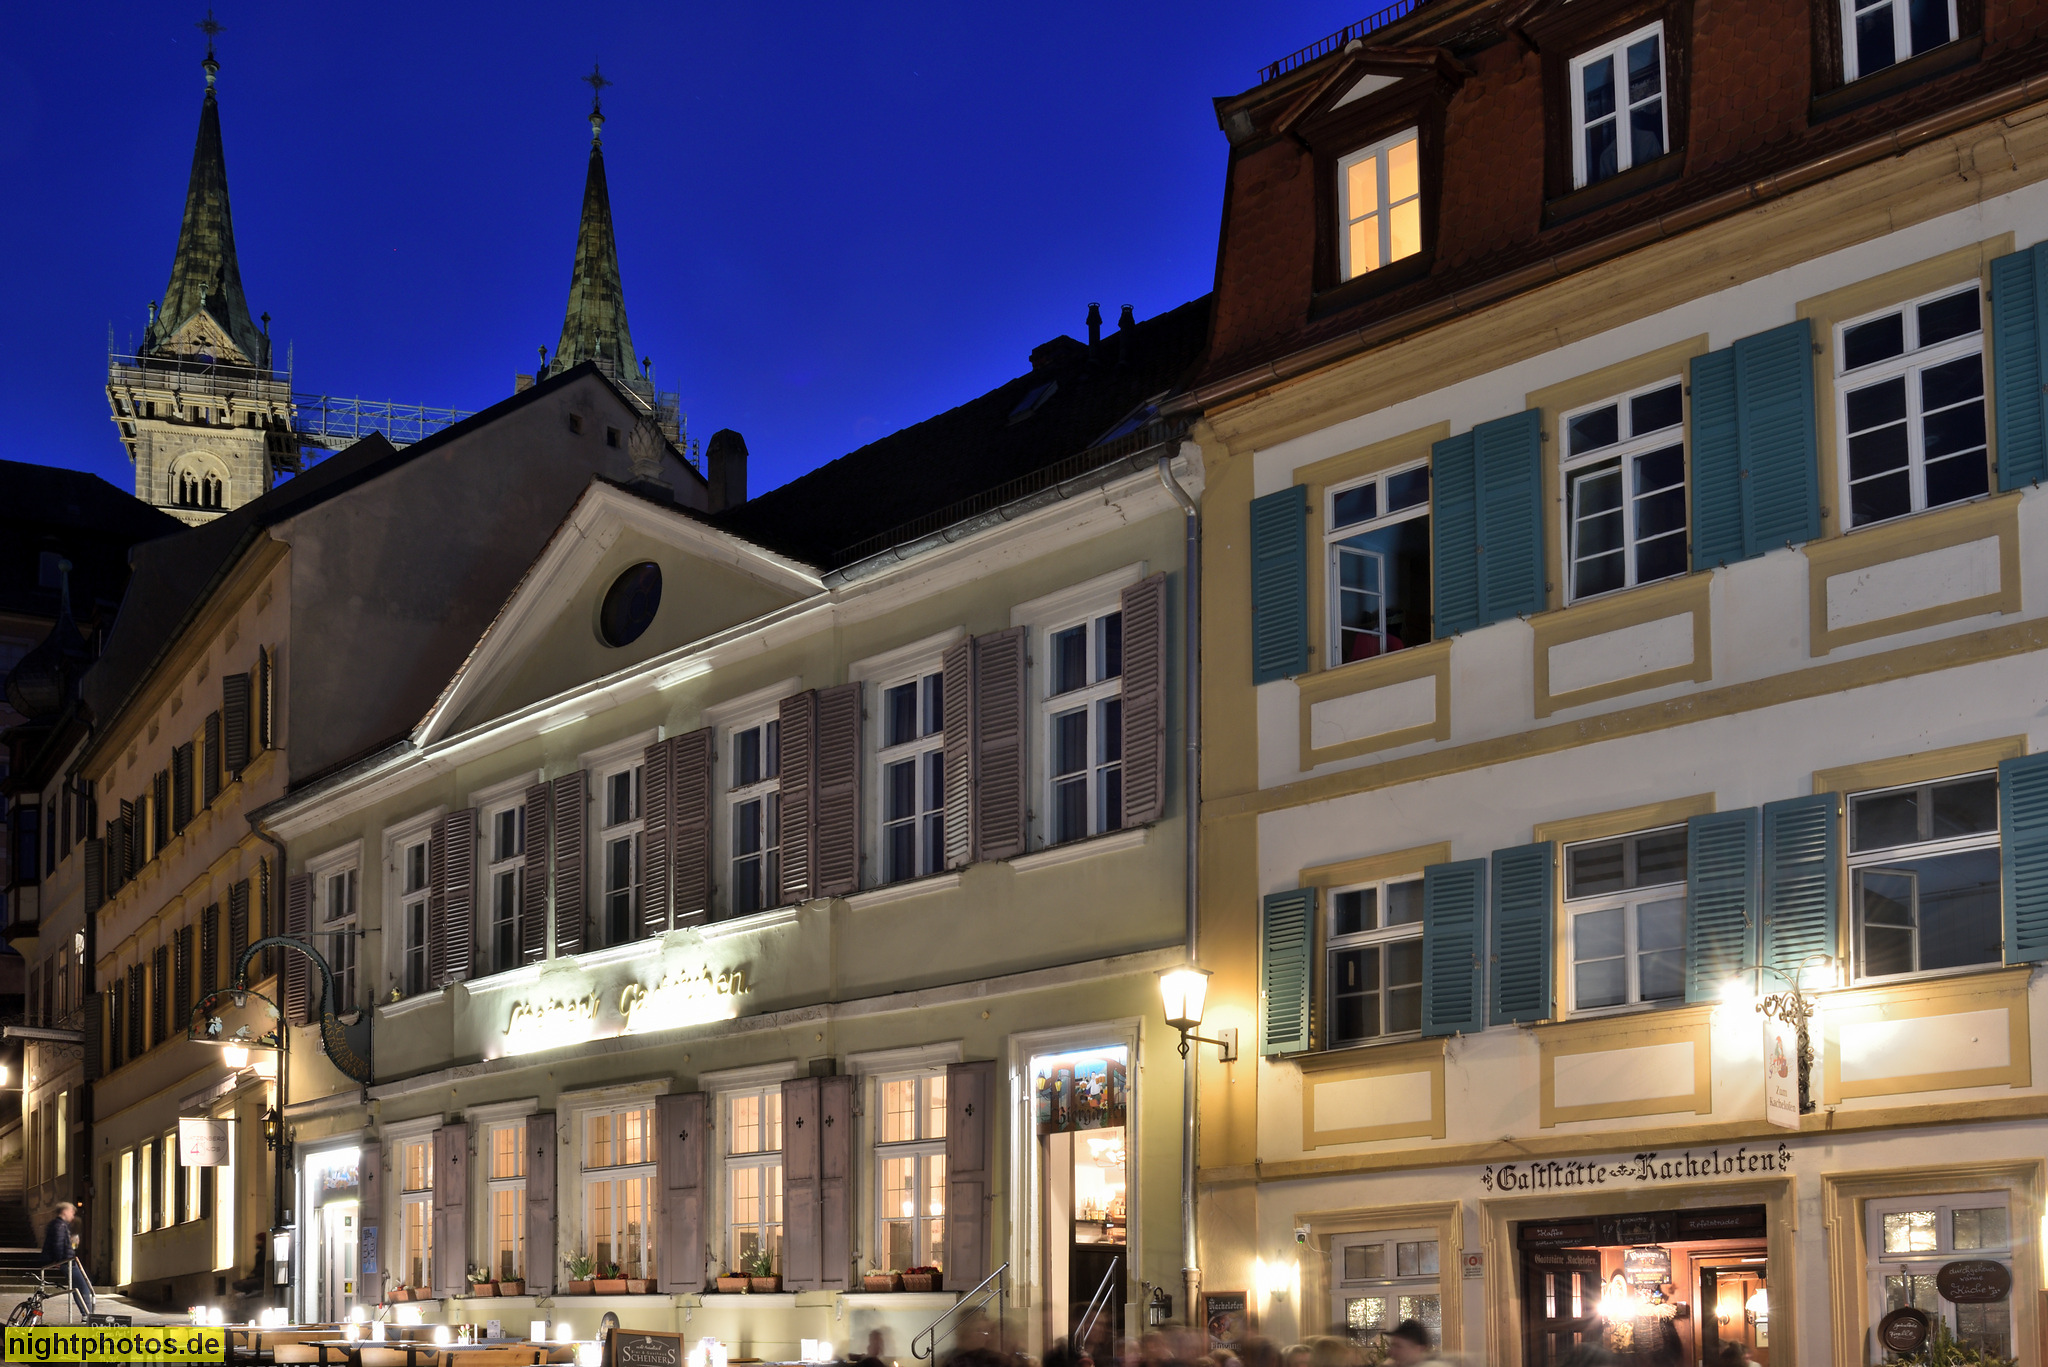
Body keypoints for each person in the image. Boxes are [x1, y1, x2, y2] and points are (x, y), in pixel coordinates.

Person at [40, 1202, 92, 1319]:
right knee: (83, 1287)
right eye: (71, 1212)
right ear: (64, 1211)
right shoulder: (59, 1225)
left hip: (67, 1260)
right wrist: (59, 1261)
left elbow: (60, 1243)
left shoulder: (59, 1225)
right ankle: (88, 1315)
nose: (73, 1215)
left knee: (78, 1287)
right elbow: (58, 1244)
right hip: (66, 1261)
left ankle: (86, 1314)